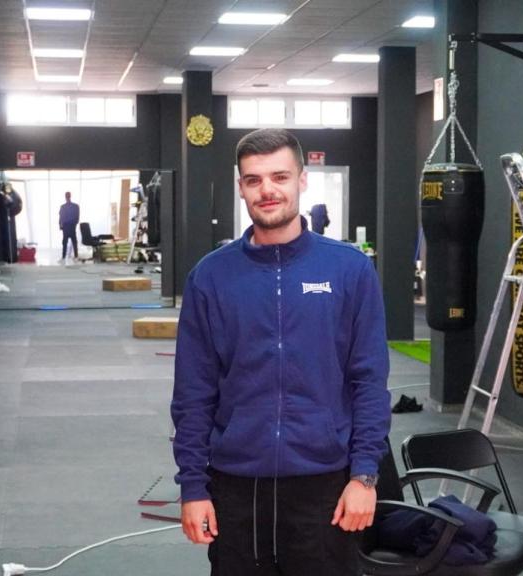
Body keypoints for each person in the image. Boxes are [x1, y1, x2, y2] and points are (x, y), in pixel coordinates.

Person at [171, 128, 391, 576]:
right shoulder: (210, 277)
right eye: (254, 180)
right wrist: (193, 487)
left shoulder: (349, 269)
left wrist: (364, 476)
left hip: (325, 484)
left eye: (279, 176)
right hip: (236, 486)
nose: (267, 190)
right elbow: (193, 393)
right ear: (241, 187)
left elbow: (369, 381)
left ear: (302, 180)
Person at [58, 191, 80, 262]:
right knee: (67, 242)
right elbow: (61, 217)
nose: (67, 197)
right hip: (67, 226)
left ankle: (73, 256)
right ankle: (65, 256)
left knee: (72, 242)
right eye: (67, 195)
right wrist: (61, 226)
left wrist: (62, 225)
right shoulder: (64, 206)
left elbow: (77, 217)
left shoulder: (75, 206)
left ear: (69, 196)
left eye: (67, 195)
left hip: (70, 226)